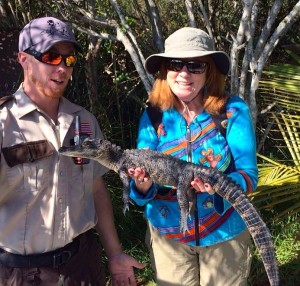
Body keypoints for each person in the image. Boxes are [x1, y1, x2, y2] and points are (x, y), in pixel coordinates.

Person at [0, 16, 144, 286]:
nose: (62, 67)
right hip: (20, 274)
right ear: (23, 58)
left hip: (82, 267)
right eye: (51, 56)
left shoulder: (84, 121)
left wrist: (114, 254)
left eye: (69, 59)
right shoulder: (3, 123)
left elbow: (96, 187)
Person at [128, 27, 258, 286]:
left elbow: (249, 176)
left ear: (208, 70)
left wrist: (221, 185)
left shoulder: (231, 111)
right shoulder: (154, 116)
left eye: (196, 66)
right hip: (168, 237)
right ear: (165, 69)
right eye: (176, 64)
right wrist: (141, 185)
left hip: (225, 234)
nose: (184, 73)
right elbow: (139, 190)